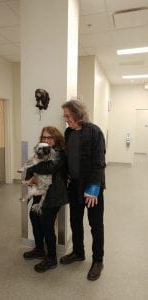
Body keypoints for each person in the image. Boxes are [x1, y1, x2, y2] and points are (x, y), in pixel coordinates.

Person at [60, 100, 106, 281]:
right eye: (65, 116)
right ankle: (78, 252)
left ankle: (98, 261)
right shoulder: (69, 132)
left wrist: (93, 188)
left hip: (92, 189)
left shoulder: (94, 131)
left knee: (96, 225)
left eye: (68, 116)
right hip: (74, 187)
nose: (66, 120)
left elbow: (99, 162)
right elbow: (67, 158)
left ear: (78, 114)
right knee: (75, 221)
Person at [23, 126, 68, 273]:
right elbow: (30, 167)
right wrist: (29, 178)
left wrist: (36, 166)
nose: (46, 140)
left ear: (56, 139)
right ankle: (39, 249)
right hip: (39, 193)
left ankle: (51, 259)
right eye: (44, 138)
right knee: (34, 217)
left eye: (49, 138)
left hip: (53, 195)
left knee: (47, 225)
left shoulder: (60, 153)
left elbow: (49, 168)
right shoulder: (40, 151)